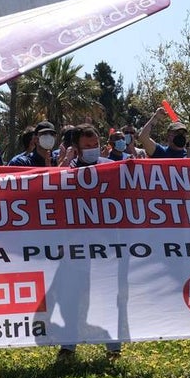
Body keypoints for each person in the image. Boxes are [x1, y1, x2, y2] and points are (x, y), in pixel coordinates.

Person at [56, 124, 121, 362]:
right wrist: (64, 163)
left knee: (107, 295)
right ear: (76, 148)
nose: (93, 149)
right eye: (87, 146)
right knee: (73, 296)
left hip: (106, 246)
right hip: (75, 246)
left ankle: (113, 347)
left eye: (95, 145)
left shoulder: (110, 168)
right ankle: (68, 346)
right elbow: (50, 189)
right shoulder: (68, 169)